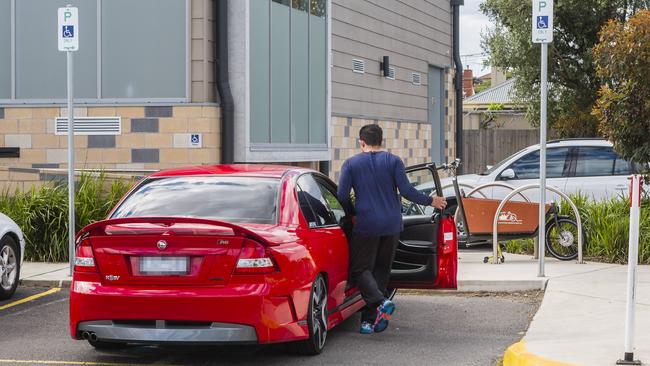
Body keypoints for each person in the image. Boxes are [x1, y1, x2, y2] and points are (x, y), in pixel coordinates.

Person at [337, 124, 447, 334]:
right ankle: (369, 322)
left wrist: (353, 213)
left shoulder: (350, 164)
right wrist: (431, 200)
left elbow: (342, 196)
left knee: (360, 269)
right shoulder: (393, 161)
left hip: (367, 224)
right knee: (381, 271)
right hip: (392, 224)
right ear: (381, 141)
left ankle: (379, 303)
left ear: (361, 142)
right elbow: (406, 191)